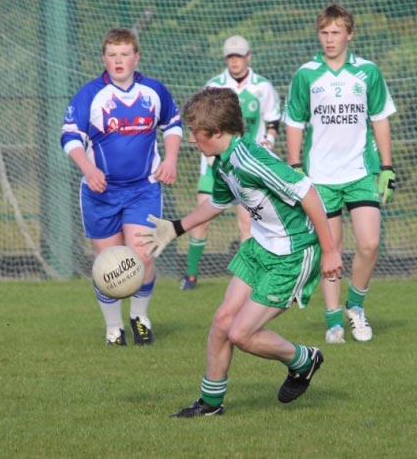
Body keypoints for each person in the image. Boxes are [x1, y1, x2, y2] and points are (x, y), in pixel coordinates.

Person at [137, 87, 343, 417]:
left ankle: (304, 360)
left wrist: (330, 250)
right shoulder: (223, 162)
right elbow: (217, 204)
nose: (192, 140)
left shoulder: (250, 159)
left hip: (292, 255)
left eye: (196, 132)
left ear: (217, 132)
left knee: (241, 334)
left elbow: (308, 192)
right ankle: (210, 404)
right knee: (221, 322)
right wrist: (175, 227)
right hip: (259, 247)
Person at [60, 28, 182, 346]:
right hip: (100, 192)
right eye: (112, 54)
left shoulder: (153, 91)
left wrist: (169, 160)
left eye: (124, 54)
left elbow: (173, 124)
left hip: (143, 189)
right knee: (108, 263)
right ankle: (113, 328)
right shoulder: (90, 95)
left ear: (136, 57)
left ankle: (139, 316)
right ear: (104, 58)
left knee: (143, 257)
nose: (118, 60)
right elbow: (70, 137)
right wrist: (88, 169)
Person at [284, 4, 396, 344]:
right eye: (324, 32)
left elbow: (380, 119)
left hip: (361, 172)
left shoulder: (368, 73)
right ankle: (333, 322)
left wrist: (387, 168)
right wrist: (294, 168)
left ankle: (355, 307)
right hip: (321, 177)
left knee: (370, 243)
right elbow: (293, 122)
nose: (329, 39)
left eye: (336, 32)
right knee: (330, 249)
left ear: (350, 34)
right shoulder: (306, 74)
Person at [180, 35, 281, 290]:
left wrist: (269, 140)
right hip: (214, 167)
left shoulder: (263, 87)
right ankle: (191, 275)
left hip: (246, 167)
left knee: (247, 223)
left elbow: (273, 120)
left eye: (239, 56)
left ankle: (251, 276)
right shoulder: (214, 86)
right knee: (201, 217)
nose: (234, 61)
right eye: (230, 57)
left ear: (248, 57)